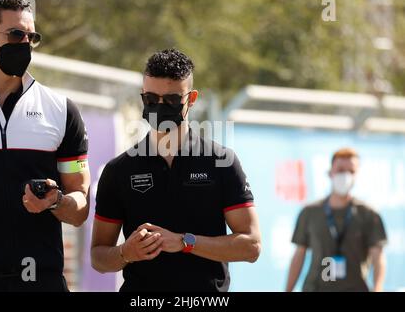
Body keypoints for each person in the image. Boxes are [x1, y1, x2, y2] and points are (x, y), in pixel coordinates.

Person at [91, 48, 261, 292]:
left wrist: (184, 242)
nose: (159, 106)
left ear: (191, 99)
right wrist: (125, 253)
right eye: (150, 99)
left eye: (170, 100)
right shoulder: (119, 170)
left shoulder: (221, 161)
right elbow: (98, 256)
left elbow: (251, 246)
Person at [0, 0, 90, 291]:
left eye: (32, 37)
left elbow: (80, 208)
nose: (25, 44)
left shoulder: (60, 110)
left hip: (41, 282)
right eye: (17, 35)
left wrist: (56, 201)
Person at [286, 148, 387, 292]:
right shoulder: (310, 212)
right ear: (330, 172)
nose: (345, 175)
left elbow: (378, 257)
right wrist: (288, 289)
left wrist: (378, 288)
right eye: (340, 170)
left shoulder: (369, 214)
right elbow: (299, 255)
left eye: (351, 172)